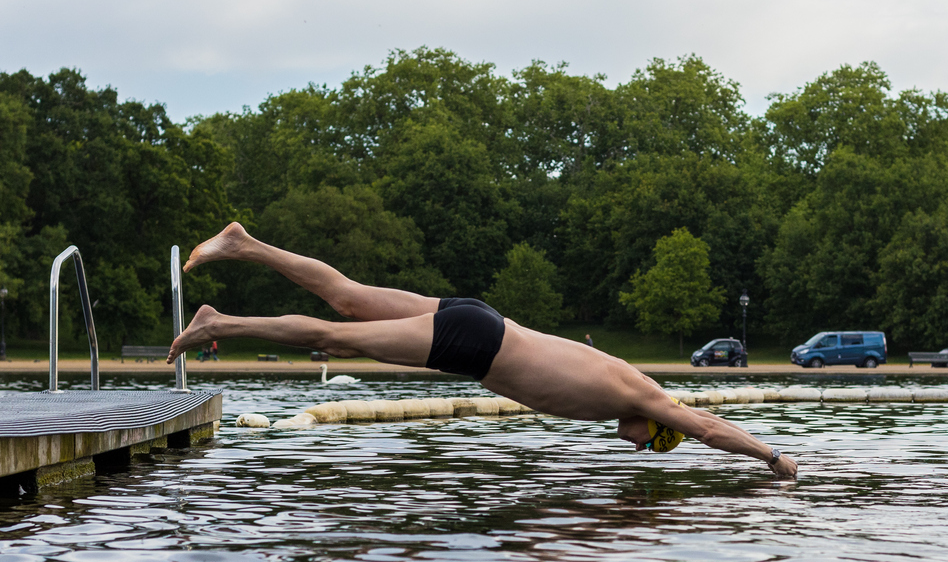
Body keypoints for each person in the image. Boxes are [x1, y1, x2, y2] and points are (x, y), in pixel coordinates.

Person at [168, 224, 797, 478]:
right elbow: (709, 426)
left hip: (484, 324)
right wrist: (770, 456)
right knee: (339, 335)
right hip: (477, 341)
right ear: (654, 425)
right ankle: (221, 321)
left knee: (350, 298)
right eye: (652, 440)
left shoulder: (623, 389)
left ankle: (243, 244)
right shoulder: (642, 396)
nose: (636, 444)